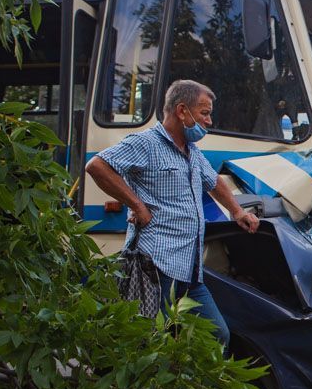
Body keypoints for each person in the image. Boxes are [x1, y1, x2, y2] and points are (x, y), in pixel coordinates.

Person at [86, 79, 260, 348]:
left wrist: (237, 211)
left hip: (189, 270)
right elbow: (97, 166)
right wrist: (137, 205)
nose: (209, 121)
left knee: (217, 335)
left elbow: (213, 181)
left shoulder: (191, 152)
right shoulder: (146, 143)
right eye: (204, 113)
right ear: (182, 111)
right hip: (156, 267)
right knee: (154, 342)